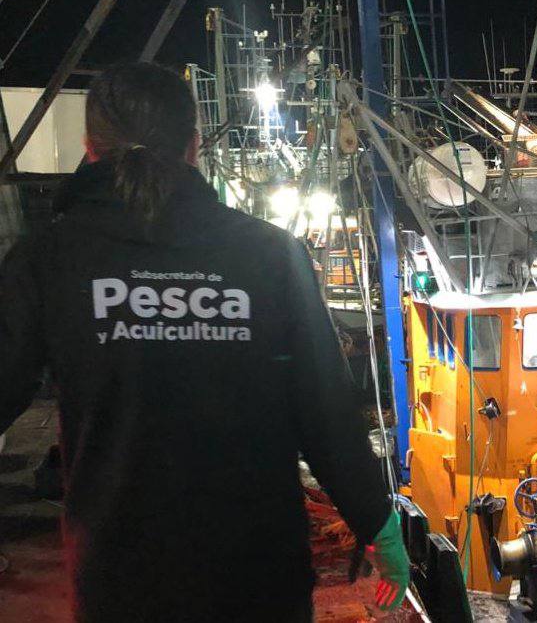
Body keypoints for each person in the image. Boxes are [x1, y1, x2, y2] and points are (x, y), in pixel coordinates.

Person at [0, 63, 409, 622]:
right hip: (259, 578)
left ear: (90, 148)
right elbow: (324, 407)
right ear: (194, 146)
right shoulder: (270, 255)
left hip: (122, 580)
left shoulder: (48, 259)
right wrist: (376, 522)